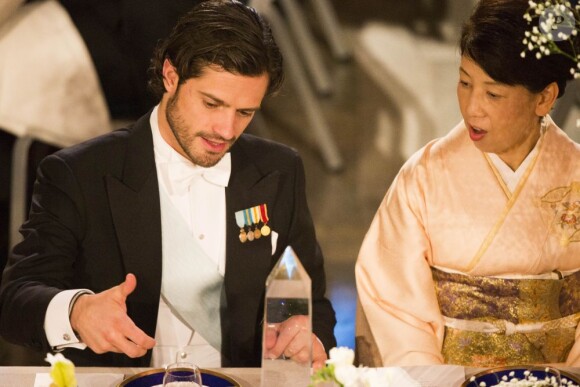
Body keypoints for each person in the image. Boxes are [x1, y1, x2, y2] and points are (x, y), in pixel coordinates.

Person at [0, 0, 336, 368]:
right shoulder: (78, 173)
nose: (226, 131)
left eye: (245, 113)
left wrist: (309, 336)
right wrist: (77, 311)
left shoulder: (279, 171)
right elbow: (16, 299)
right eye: (211, 103)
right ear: (171, 76)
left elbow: (313, 305)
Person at [355, 0, 580, 367]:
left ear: (545, 97)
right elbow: (393, 303)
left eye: (493, 94)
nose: (472, 107)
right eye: (464, 83)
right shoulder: (424, 177)